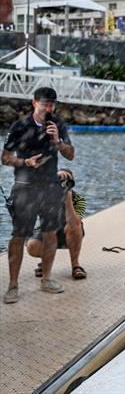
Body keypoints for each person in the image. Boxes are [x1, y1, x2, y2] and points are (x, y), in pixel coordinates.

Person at [2, 87, 76, 303]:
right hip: (25, 187)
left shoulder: (58, 124)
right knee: (18, 236)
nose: (48, 108)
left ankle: (46, 279)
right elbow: (5, 158)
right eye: (44, 104)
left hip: (51, 187)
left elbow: (71, 155)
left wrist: (58, 141)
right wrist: (25, 162)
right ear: (34, 103)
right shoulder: (20, 127)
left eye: (52, 104)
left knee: (50, 233)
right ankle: (13, 285)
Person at [27, 168, 87, 280]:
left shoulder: (79, 199)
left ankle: (76, 266)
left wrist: (68, 200)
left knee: (75, 226)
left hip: (68, 233)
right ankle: (45, 262)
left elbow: (75, 223)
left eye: (67, 181)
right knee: (32, 246)